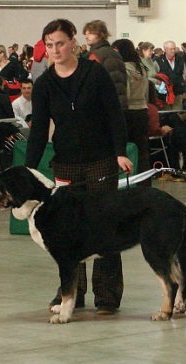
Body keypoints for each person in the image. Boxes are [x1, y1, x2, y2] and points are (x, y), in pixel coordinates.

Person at [26, 19, 133, 315]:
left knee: (105, 227)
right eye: (49, 45)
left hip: (101, 161)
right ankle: (71, 292)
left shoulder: (94, 73)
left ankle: (108, 295)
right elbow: (38, 131)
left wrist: (119, 152)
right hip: (66, 163)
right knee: (67, 233)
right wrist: (27, 169)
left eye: (60, 43)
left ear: (74, 41)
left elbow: (114, 115)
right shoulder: (45, 84)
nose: (55, 50)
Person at [112, 38, 151, 187]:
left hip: (129, 113)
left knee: (126, 151)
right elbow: (147, 93)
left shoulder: (124, 69)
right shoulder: (142, 67)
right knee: (142, 151)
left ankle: (129, 184)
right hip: (142, 110)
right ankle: (144, 183)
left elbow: (124, 95)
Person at [83, 20, 128, 111]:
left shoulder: (95, 55)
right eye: (86, 34)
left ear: (100, 34)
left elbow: (91, 83)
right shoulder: (115, 53)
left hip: (102, 106)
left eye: (90, 33)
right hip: (120, 104)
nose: (86, 37)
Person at [155, 41, 186, 109]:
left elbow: (184, 72)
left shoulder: (180, 60)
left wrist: (180, 82)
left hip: (178, 91)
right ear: (165, 50)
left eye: (174, 49)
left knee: (177, 112)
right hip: (164, 93)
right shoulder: (158, 61)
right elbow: (155, 75)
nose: (173, 51)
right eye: (171, 49)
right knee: (166, 112)